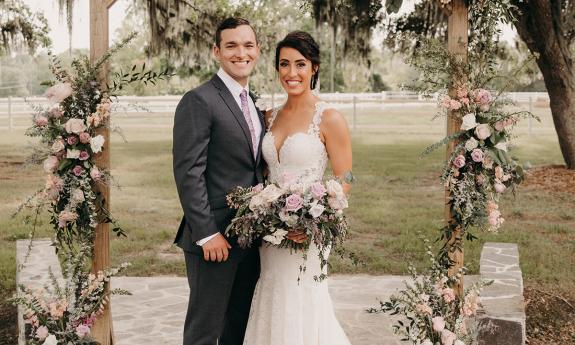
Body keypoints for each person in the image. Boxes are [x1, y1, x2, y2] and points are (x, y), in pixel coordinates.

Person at [242, 30, 353, 345]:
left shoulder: (329, 117)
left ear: (314, 67)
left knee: (303, 299)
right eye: (284, 64)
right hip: (271, 233)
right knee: (273, 295)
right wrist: (265, 212)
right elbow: (266, 173)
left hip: (308, 234)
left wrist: (315, 218)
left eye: (300, 64)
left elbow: (346, 177)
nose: (291, 73)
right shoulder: (270, 116)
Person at [172, 17, 265, 345]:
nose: (241, 52)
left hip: (250, 239)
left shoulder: (254, 104)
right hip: (214, 241)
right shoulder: (199, 100)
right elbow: (188, 172)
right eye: (232, 45)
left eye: (248, 45)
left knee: (236, 327)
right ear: (217, 51)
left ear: (258, 50)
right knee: (204, 331)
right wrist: (207, 233)